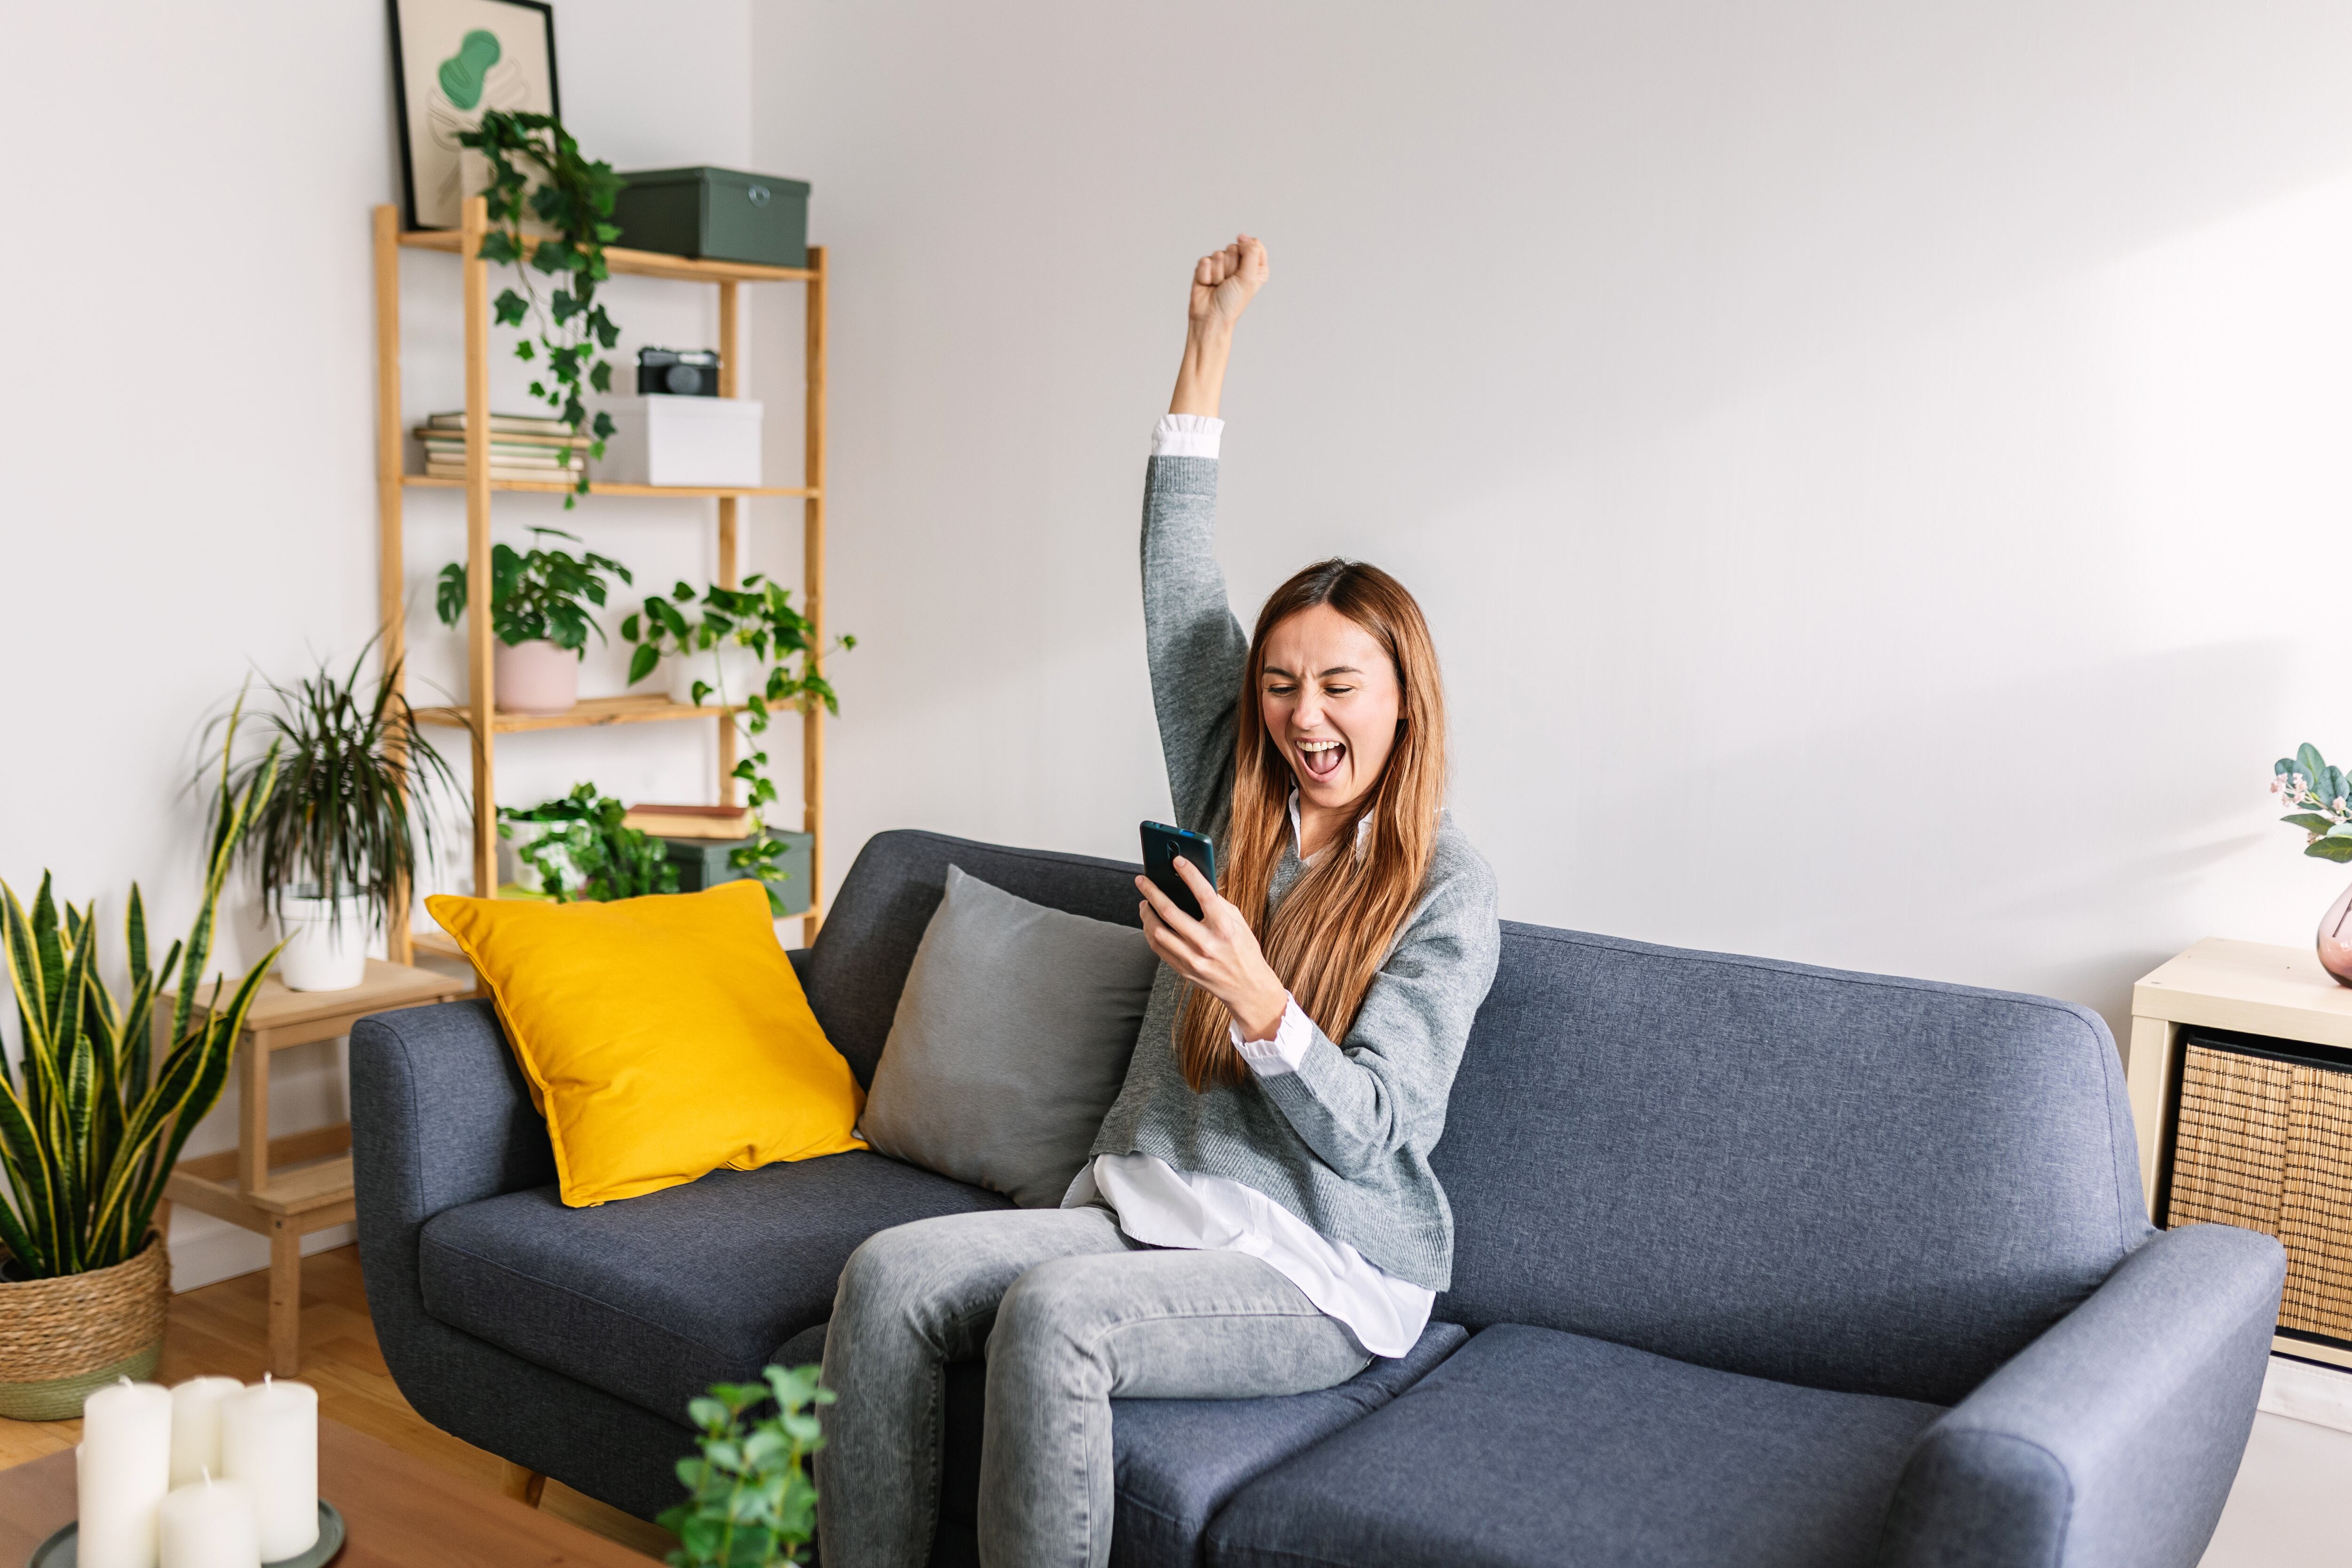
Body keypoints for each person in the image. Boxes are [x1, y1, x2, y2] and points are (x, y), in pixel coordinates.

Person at [815, 234, 1502, 1568]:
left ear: (1405, 695)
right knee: (887, 1274)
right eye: (1281, 683)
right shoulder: (1232, 784)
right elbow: (1177, 578)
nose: (1306, 714)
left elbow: (1377, 1133)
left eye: (1340, 687)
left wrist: (1258, 997)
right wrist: (1209, 338)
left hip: (1320, 1269)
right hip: (1142, 1210)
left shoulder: (1445, 888)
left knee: (1058, 1320)